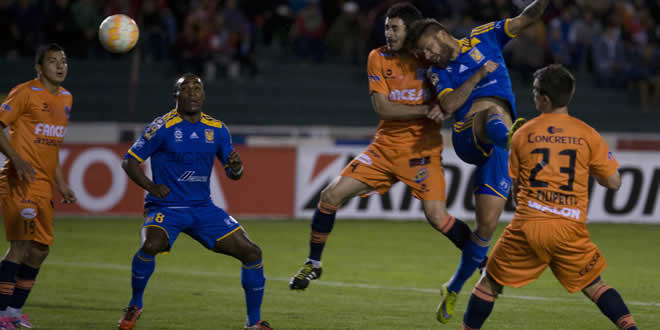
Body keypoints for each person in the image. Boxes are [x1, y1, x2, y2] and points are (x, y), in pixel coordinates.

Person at [290, 2, 476, 292]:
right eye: (387, 27)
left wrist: (449, 107)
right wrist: (428, 109)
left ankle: (483, 262)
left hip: (421, 152)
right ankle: (313, 263)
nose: (388, 33)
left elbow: (454, 94)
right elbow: (384, 108)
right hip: (383, 149)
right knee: (329, 196)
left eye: (395, 27)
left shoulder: (429, 58)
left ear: (411, 30)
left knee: (438, 217)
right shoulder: (377, 57)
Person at [403, 0, 550, 323]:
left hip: (497, 146)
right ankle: (520, 146)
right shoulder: (437, 72)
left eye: (427, 48)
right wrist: (480, 73)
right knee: (490, 112)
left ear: (441, 34)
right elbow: (452, 104)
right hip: (467, 135)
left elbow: (529, 16)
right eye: (422, 54)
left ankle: (453, 287)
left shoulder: (484, 36)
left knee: (485, 228)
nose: (426, 57)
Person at [462, 64, 638, 330]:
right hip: (569, 229)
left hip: (528, 227)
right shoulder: (587, 134)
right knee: (595, 285)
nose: (534, 97)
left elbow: (517, 190)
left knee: (489, 283)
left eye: (535, 92)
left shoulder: (522, 134)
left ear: (544, 99)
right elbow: (613, 182)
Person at [118, 73, 273, 330]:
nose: (191, 92)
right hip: (167, 207)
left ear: (203, 95)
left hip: (203, 208)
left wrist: (236, 167)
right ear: (175, 96)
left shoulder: (217, 129)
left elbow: (234, 173)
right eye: (185, 88)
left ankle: (253, 323)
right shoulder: (162, 126)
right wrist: (150, 187)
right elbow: (129, 161)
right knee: (151, 244)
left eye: (196, 88)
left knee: (252, 252)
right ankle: (135, 305)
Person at [0, 43, 77, 330]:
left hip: (43, 185)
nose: (60, 66)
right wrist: (16, 159)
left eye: (64, 61)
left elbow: (51, 145)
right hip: (19, 181)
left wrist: (61, 182)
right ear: (39, 68)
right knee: (19, 247)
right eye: (53, 61)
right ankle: (2, 315)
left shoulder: (67, 98)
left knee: (40, 250)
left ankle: (14, 311)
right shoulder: (25, 93)